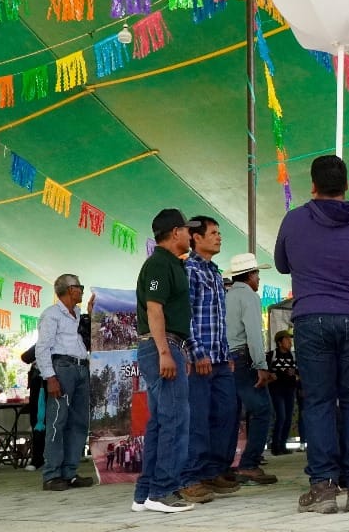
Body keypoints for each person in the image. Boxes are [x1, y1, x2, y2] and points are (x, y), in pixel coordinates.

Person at [275, 155, 349, 513]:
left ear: (312, 186)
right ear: (346, 186)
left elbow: (282, 264)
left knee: (318, 402)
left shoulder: (294, 220)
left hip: (311, 321)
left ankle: (323, 489)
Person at [131, 208, 196, 514]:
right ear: (174, 233)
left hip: (167, 344)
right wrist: (164, 352)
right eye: (186, 229)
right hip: (162, 344)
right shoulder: (158, 264)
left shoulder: (170, 263)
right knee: (174, 419)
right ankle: (164, 491)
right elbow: (154, 309)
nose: (189, 234)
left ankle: (145, 493)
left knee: (161, 420)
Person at [181, 216, 240, 498]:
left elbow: (220, 319)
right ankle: (191, 475)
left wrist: (225, 354)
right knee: (199, 419)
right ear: (196, 238)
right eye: (214, 233)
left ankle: (214, 470)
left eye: (219, 233)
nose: (219, 237)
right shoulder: (189, 269)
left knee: (227, 414)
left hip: (220, 358)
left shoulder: (216, 273)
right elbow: (186, 316)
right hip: (199, 358)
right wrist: (197, 351)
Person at [35, 274, 95, 492]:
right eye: (79, 287)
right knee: (57, 421)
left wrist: (90, 312)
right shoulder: (52, 315)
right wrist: (50, 377)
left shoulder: (78, 314)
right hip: (62, 367)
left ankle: (69, 472)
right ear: (70, 290)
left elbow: (87, 337)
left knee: (78, 421)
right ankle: (52, 474)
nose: (81, 290)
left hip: (80, 367)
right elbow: (42, 348)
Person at [224, 252, 278, 485]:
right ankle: (249, 463)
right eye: (257, 274)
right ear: (250, 275)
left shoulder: (225, 296)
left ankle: (222, 465)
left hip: (226, 359)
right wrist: (261, 365)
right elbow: (254, 334)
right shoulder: (250, 298)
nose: (259, 279)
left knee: (230, 414)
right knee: (263, 410)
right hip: (244, 357)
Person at [266, 330, 298, 456]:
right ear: (279, 342)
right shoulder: (272, 355)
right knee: (281, 416)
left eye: (290, 340)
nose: (290, 342)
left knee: (288, 418)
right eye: (287, 339)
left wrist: (295, 374)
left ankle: (283, 445)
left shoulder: (293, 356)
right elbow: (262, 368)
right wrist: (270, 374)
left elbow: (299, 372)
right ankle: (275, 446)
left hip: (290, 389)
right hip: (276, 389)